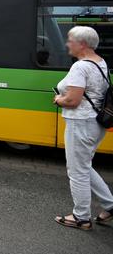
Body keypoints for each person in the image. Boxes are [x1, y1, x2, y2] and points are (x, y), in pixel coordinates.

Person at [53, 26, 113, 230]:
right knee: (84, 166)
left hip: (81, 124)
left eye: (70, 40)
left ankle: (81, 217)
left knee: (77, 171)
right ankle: (110, 206)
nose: (67, 44)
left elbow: (73, 100)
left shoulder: (80, 67)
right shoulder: (100, 62)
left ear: (82, 44)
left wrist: (58, 100)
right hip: (95, 124)